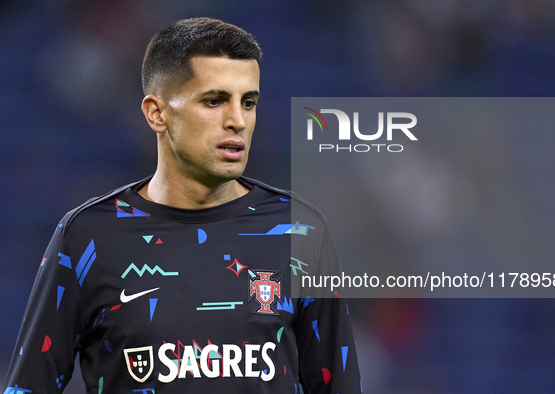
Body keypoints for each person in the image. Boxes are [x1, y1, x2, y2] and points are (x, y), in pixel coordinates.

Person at [3, 17, 361, 393]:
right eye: (214, 100)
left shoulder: (300, 231)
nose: (238, 121)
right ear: (157, 113)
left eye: (249, 102)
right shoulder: (87, 237)